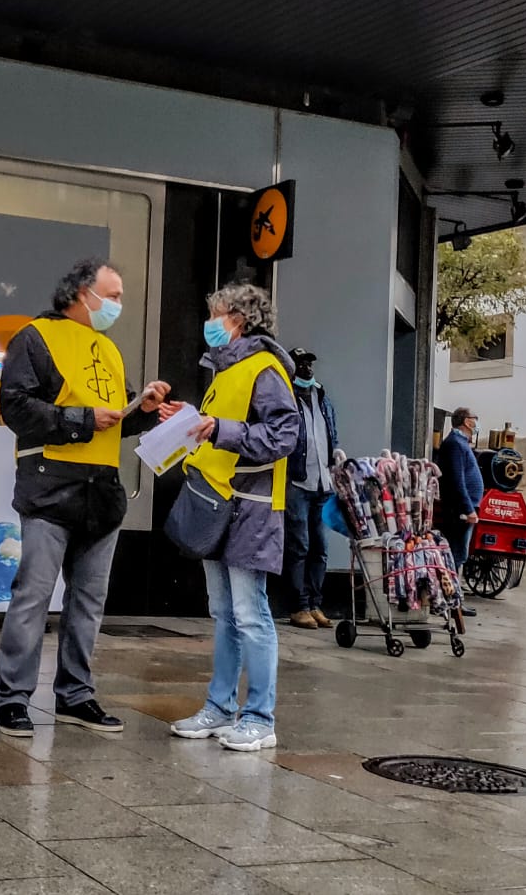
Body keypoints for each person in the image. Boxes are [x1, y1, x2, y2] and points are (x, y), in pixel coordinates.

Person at [0, 259, 170, 739]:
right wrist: (81, 420)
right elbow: (16, 406)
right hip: (50, 486)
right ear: (79, 293)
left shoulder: (108, 348)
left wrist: (143, 411)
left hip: (102, 490)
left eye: (119, 296)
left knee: (89, 601)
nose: (117, 304)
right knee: (33, 596)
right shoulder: (35, 338)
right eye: (111, 294)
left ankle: (75, 694)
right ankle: (13, 699)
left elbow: (114, 420)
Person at [166, 283, 301, 752]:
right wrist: (189, 421)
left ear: (239, 320)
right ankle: (220, 707)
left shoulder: (263, 369)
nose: (210, 322)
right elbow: (229, 431)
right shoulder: (228, 370)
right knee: (225, 614)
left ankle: (260, 717)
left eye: (216, 313)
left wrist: (220, 429)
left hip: (251, 508)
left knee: (249, 613)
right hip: (221, 504)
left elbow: (285, 434)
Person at [282, 347, 338, 630]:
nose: (307, 368)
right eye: (301, 364)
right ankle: (298, 606)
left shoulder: (321, 396)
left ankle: (315, 603)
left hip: (322, 482)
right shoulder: (287, 398)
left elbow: (331, 433)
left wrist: (335, 456)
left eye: (309, 363)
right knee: (299, 545)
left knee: (320, 547)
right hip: (297, 481)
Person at [436, 408, 484, 616]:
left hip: (464, 509)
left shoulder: (461, 444)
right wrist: (468, 508)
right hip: (459, 511)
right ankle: (452, 601)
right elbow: (457, 480)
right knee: (455, 555)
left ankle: (454, 599)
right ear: (466, 421)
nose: (477, 422)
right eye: (475, 418)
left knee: (459, 555)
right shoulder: (455, 444)